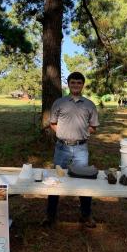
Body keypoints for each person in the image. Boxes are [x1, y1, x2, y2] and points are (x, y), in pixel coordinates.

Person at [42, 72, 100, 228]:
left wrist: (82, 134)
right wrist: (62, 134)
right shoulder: (59, 103)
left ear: (83, 85)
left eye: (79, 83)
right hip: (61, 148)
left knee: (84, 181)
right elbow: (53, 123)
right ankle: (50, 215)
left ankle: (86, 215)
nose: (76, 85)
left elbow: (93, 126)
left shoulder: (89, 104)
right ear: (68, 84)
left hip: (81, 149)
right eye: (73, 82)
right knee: (55, 181)